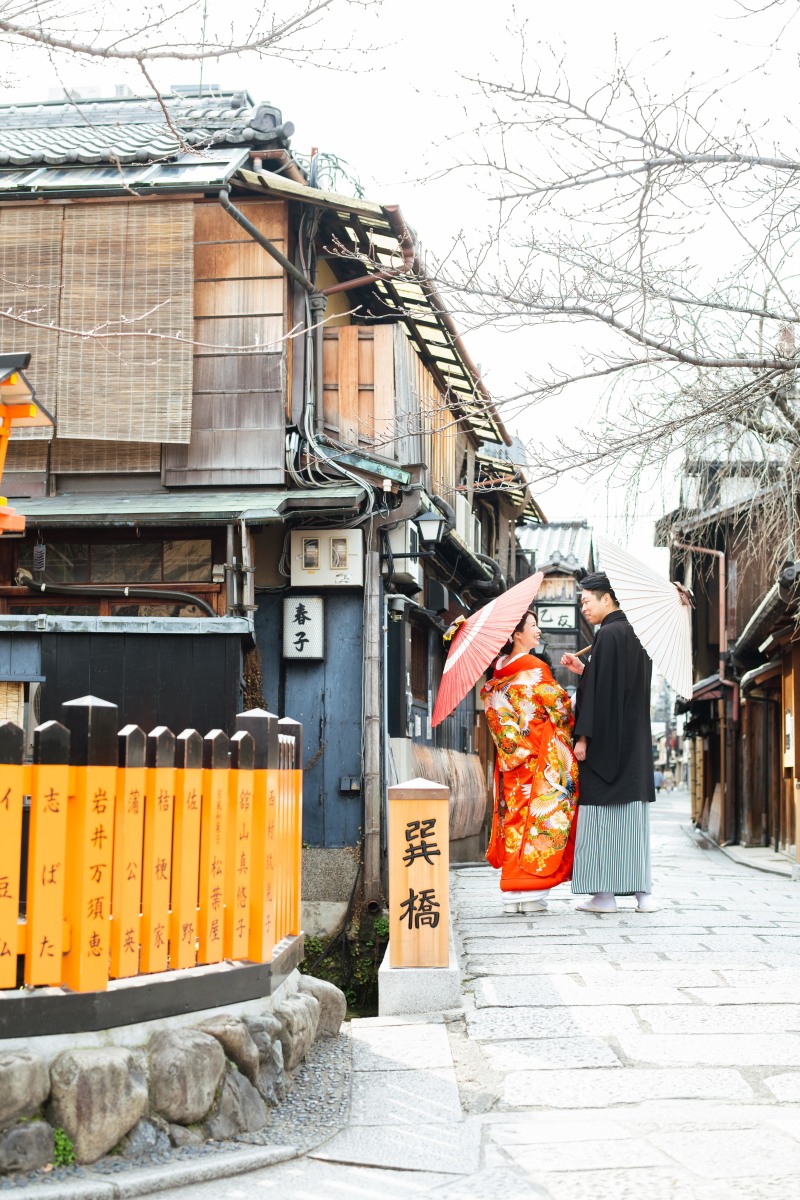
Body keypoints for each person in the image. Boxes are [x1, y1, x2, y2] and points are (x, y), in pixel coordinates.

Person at [561, 572, 657, 914]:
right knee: (633, 822)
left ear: (608, 599)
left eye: (587, 601)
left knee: (599, 820)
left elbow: (600, 694)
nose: (584, 608)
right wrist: (585, 669)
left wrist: (583, 737)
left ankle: (604, 896)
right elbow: (616, 686)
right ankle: (643, 895)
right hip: (632, 743)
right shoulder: (636, 633)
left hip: (604, 743)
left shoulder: (607, 634)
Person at [481, 609, 579, 914]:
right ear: (515, 634)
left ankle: (512, 892)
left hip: (511, 757)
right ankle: (530, 891)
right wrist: (574, 697)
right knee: (537, 821)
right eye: (533, 626)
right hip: (538, 758)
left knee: (514, 819)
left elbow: (497, 713)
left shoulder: (498, 670)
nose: (538, 631)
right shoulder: (534, 668)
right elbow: (560, 710)